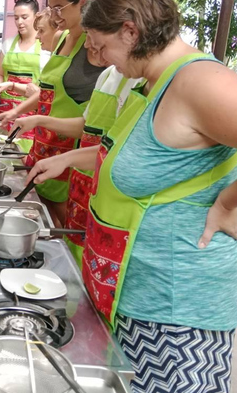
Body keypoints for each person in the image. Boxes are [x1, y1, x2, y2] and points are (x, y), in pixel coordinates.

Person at [29, 0, 237, 393]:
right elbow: (126, 156)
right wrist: (67, 160)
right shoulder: (149, 84)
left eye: (100, 47)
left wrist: (229, 201)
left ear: (130, 32)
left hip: (175, 301)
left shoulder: (198, 81)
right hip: (137, 289)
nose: (96, 58)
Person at [14, 37, 144, 263]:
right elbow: (85, 127)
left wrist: (65, 158)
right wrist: (38, 120)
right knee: (74, 259)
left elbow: (125, 152)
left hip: (106, 192)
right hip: (81, 186)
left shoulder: (140, 83)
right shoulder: (107, 76)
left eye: (95, 38)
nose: (86, 45)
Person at [0, 0, 104, 226]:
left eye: (59, 8)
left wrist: (37, 118)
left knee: (65, 215)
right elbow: (47, 91)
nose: (54, 16)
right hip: (45, 139)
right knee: (43, 206)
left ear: (82, 3)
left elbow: (90, 115)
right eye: (51, 8)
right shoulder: (60, 38)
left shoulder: (94, 47)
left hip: (72, 143)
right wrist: (16, 112)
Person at [0, 0, 51, 152]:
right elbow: (0, 74)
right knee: (2, 151)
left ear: (36, 17)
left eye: (24, 17)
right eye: (16, 18)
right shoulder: (8, 44)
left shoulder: (45, 47)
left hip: (30, 111)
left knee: (24, 153)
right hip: (5, 109)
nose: (19, 22)